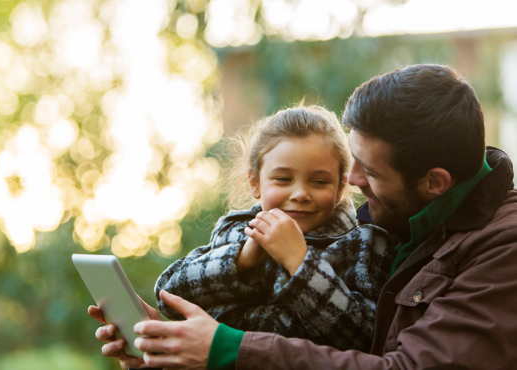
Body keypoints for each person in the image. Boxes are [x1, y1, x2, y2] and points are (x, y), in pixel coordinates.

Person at [91, 64, 517, 370]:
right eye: (354, 162)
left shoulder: (500, 247)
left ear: (434, 182)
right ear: (254, 182)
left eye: (368, 171)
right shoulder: (409, 220)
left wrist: (227, 349)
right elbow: (181, 291)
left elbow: (377, 350)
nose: (351, 182)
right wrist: (171, 347)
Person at [154, 105, 392, 351]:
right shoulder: (237, 231)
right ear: (255, 183)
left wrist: (301, 264)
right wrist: (241, 261)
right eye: (283, 179)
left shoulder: (364, 242)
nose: (300, 194)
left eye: (319, 182)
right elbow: (167, 298)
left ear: (340, 188)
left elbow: (368, 338)